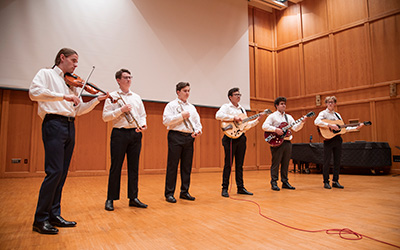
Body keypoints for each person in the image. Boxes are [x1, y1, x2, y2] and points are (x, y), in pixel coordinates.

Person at [29, 48, 109, 234]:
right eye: (73, 60)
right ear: (62, 58)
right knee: (54, 172)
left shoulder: (71, 83)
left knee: (62, 173)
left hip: (69, 125)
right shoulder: (46, 74)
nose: (76, 65)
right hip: (54, 124)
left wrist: (96, 100)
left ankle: (54, 214)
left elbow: (77, 110)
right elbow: (34, 93)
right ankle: (40, 219)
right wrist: (64, 96)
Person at [103, 69, 148, 211]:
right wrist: (120, 110)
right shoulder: (112, 96)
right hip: (119, 134)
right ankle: (110, 199)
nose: (129, 80)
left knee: (134, 167)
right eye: (125, 77)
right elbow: (105, 117)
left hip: (135, 134)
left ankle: (133, 198)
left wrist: (143, 124)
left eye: (130, 77)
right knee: (116, 167)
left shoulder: (136, 97)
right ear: (118, 80)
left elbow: (142, 115)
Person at [216, 87, 263, 197]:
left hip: (241, 137)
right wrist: (233, 117)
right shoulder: (226, 107)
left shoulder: (242, 109)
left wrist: (257, 120)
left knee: (240, 164)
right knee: (228, 164)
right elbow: (218, 115)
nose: (238, 96)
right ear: (230, 97)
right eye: (236, 94)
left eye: (239, 94)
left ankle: (240, 187)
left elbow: (245, 126)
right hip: (229, 139)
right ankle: (224, 188)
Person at [163, 82, 202, 203]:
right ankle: (169, 193)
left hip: (189, 137)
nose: (187, 93)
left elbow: (197, 122)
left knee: (187, 166)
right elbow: (166, 121)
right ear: (178, 92)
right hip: (175, 136)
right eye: (185, 91)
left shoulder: (192, 107)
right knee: (172, 166)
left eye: (189, 90)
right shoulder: (171, 105)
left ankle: (184, 191)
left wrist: (198, 131)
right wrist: (181, 116)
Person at [314, 96, 364, 189]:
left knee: (337, 161)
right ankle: (326, 181)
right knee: (327, 161)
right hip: (328, 140)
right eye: (328, 102)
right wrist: (329, 125)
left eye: (332, 102)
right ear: (326, 104)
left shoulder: (338, 115)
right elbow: (316, 121)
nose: (330, 104)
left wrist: (355, 128)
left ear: (335, 104)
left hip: (337, 139)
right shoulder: (323, 113)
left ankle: (335, 181)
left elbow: (343, 128)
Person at [262, 96, 306, 191]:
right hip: (276, 142)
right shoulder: (272, 116)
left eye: (284, 104)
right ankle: (274, 182)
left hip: (287, 142)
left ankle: (285, 182)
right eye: (281, 104)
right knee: (276, 163)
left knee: (286, 163)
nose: (284, 106)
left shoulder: (288, 117)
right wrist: (275, 129)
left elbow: (295, 128)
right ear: (277, 105)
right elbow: (264, 126)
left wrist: (302, 122)